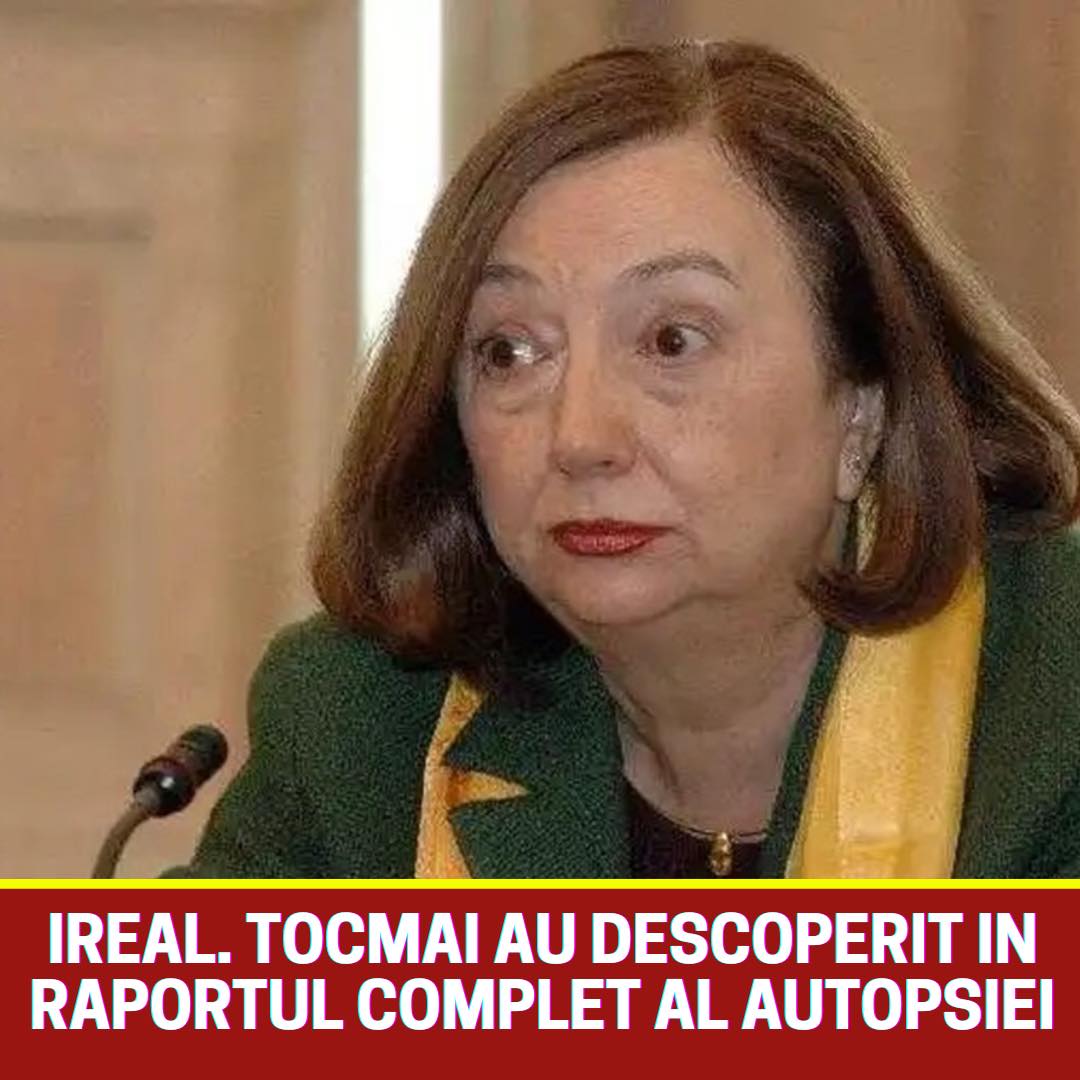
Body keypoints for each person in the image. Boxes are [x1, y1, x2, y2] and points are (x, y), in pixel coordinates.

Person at [173, 40, 1080, 879]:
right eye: (510, 352)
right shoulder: (363, 727)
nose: (580, 439)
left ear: (862, 410)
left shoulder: (1053, 711)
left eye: (672, 341)